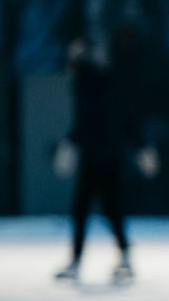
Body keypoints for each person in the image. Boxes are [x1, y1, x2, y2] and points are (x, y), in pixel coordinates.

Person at [53, 38, 158, 284]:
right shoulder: (99, 84)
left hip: (101, 157)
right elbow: (123, 120)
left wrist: (70, 144)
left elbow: (93, 122)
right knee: (103, 209)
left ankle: (107, 260)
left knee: (93, 209)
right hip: (104, 156)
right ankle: (116, 259)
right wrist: (142, 146)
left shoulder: (89, 86)